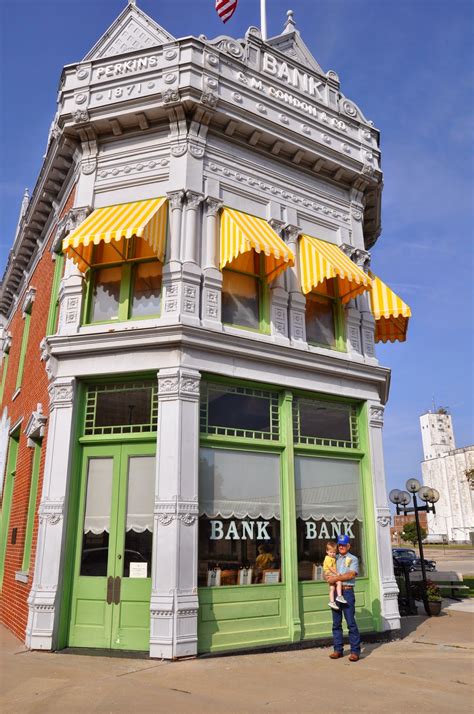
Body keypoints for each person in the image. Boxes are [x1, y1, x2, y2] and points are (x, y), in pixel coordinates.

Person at [327, 534, 361, 662]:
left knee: (351, 623)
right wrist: (328, 577)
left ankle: (355, 651)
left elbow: (351, 575)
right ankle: (338, 650)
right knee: (336, 623)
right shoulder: (334, 558)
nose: (341, 547)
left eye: (343, 545)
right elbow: (328, 571)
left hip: (347, 592)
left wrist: (336, 578)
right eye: (339, 545)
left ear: (348, 546)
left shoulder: (353, 559)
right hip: (335, 592)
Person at [323, 541, 347, 610]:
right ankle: (339, 596)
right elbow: (330, 568)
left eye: (334, 552)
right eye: (330, 552)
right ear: (327, 551)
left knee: (332, 588)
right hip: (329, 572)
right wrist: (336, 573)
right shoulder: (328, 558)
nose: (332, 554)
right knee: (339, 582)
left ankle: (332, 601)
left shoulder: (333, 558)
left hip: (329, 573)